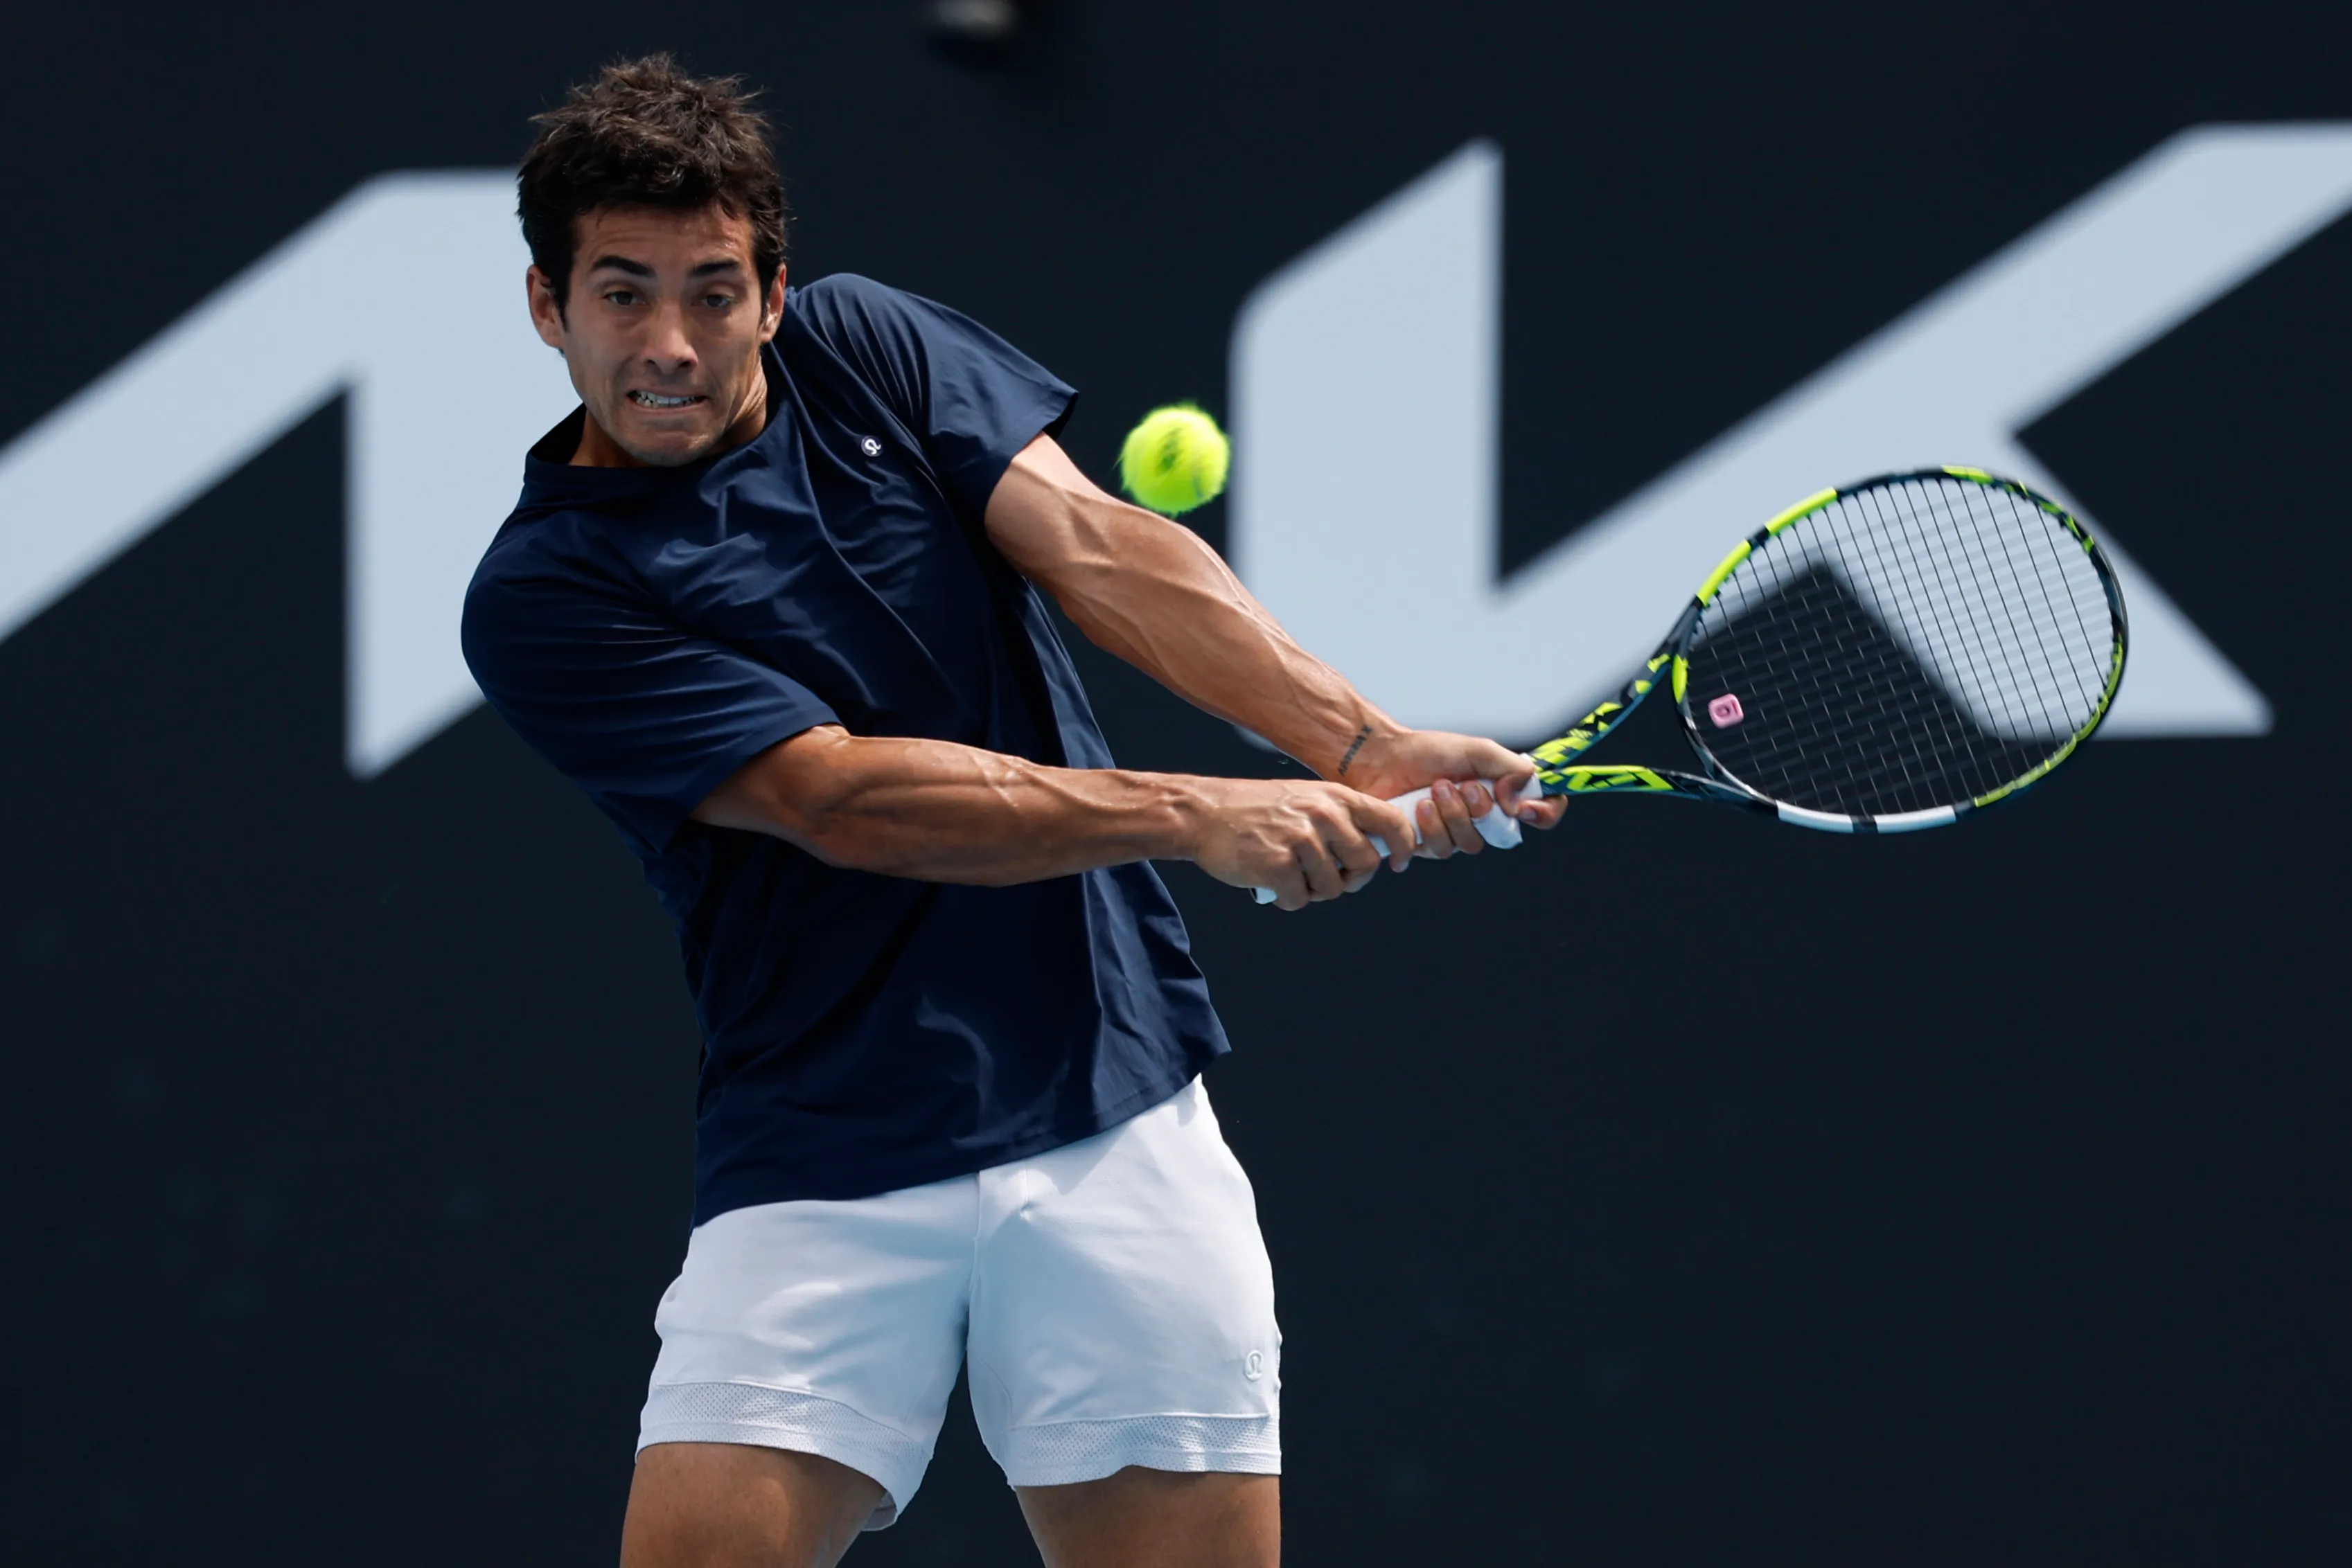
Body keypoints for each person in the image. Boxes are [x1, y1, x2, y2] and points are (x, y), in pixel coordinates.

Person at [461, 54, 1562, 1568]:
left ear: (776, 295)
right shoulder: (546, 596)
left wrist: (1358, 740)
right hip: (821, 1147)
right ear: (548, 308)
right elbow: (840, 798)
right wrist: (1194, 810)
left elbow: (1100, 550)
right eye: (622, 293)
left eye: (712, 292)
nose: (669, 342)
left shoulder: (870, 345)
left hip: (1109, 1106)